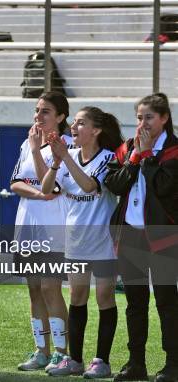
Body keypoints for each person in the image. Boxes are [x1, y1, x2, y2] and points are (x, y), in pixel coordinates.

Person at [40, 107, 123, 378]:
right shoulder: (69, 156)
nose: (73, 127)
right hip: (75, 239)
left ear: (96, 130)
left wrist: (65, 157)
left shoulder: (109, 158)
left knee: (104, 297)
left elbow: (89, 186)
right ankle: (74, 360)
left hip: (103, 240)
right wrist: (55, 162)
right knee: (77, 296)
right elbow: (46, 189)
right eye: (73, 123)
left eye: (80, 123)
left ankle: (102, 360)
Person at [104, 93, 178, 382]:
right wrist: (135, 157)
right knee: (135, 303)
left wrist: (147, 157)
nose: (142, 123)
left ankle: (173, 364)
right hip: (131, 235)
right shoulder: (128, 148)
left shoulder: (174, 150)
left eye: (148, 117)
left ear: (164, 119)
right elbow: (114, 184)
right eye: (138, 117)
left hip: (162, 236)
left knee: (167, 302)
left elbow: (165, 188)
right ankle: (137, 363)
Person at [10, 91, 71, 373]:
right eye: (37, 110)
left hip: (53, 226)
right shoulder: (27, 143)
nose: (39, 116)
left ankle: (61, 352)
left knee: (50, 287)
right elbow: (15, 183)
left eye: (46, 111)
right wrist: (37, 192)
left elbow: (54, 186)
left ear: (60, 116)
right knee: (34, 289)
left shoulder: (66, 144)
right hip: (26, 225)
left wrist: (37, 151)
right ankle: (41, 351)